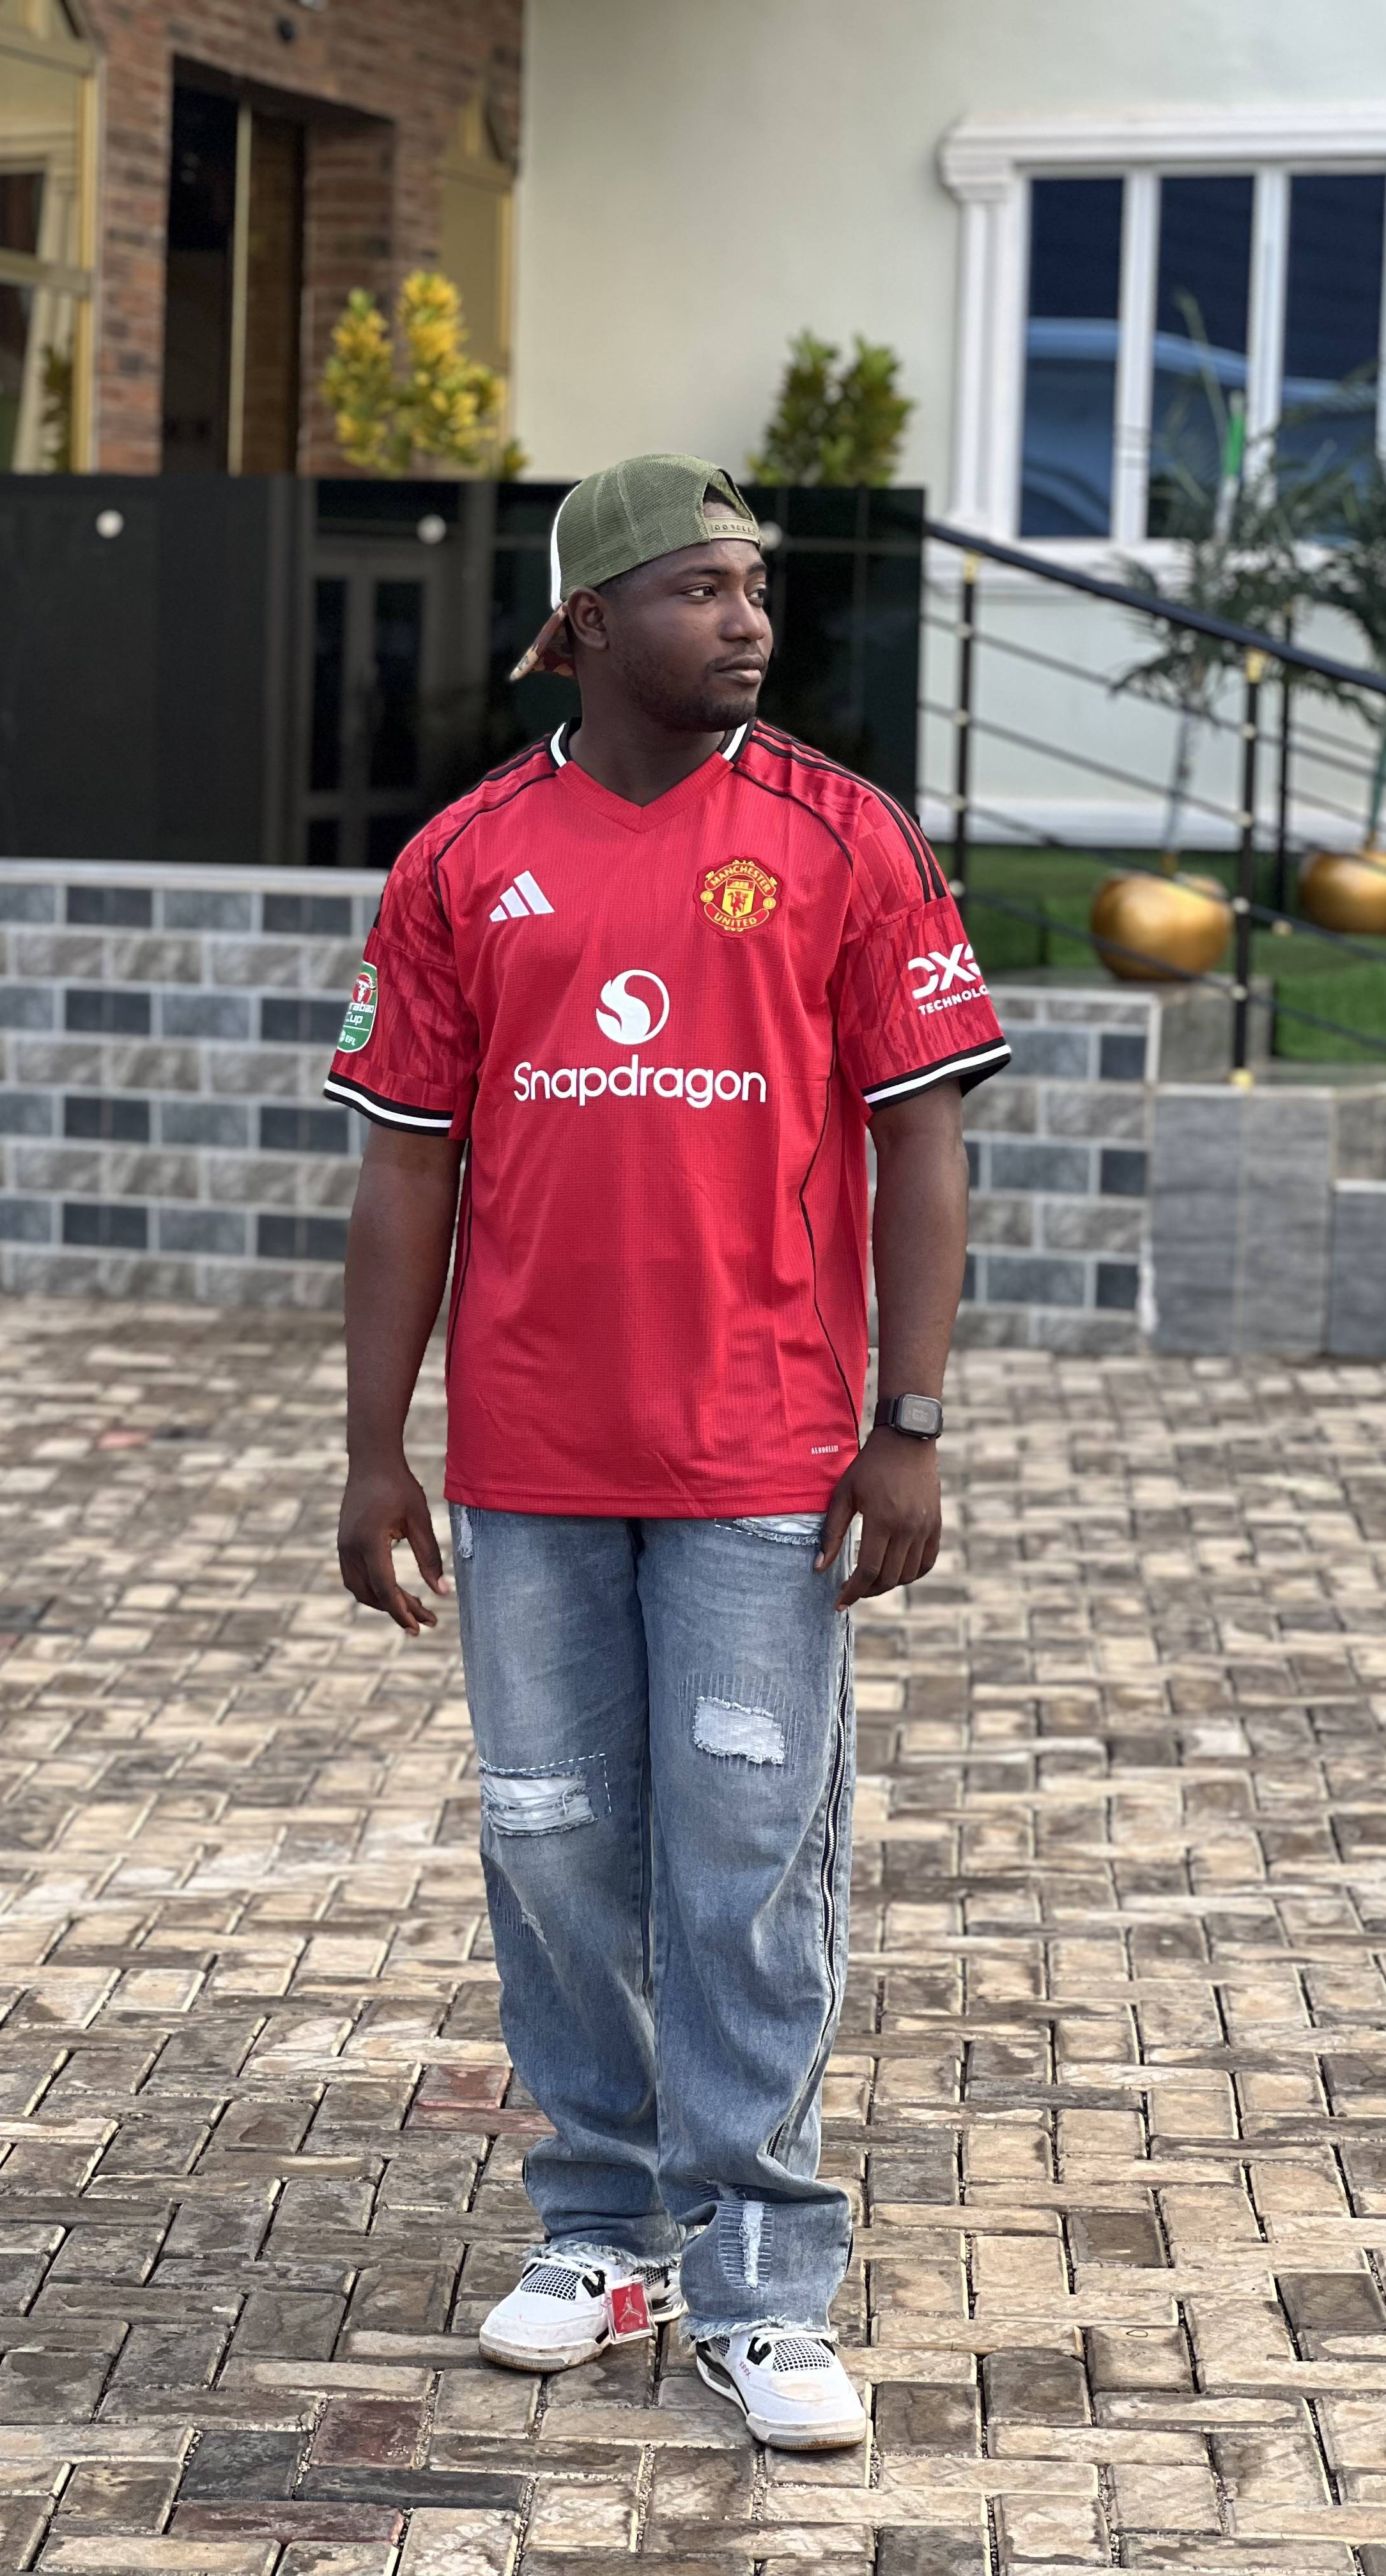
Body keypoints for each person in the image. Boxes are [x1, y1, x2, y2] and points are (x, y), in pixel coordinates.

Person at [325, 454, 1008, 2450]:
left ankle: (763, 2277)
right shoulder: (464, 860)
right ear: (588, 625)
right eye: (702, 589)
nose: (749, 620)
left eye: (756, 588)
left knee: (741, 1862)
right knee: (550, 1842)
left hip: (763, 1457)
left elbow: (923, 1141)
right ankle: (604, 2228)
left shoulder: (843, 837)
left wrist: (909, 1425)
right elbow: (405, 1172)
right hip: (528, 1459)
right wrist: (374, 1453)